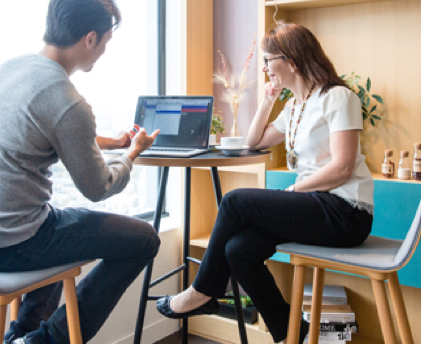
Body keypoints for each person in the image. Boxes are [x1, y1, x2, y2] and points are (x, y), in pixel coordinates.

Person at [0, 0, 161, 344]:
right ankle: (45, 341)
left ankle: (20, 336)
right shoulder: (68, 101)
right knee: (144, 239)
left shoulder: (11, 69)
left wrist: (110, 141)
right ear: (90, 39)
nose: (105, 51)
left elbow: (43, 131)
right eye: (107, 42)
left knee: (54, 220)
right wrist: (132, 153)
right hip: (9, 245)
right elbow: (99, 187)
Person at [156, 22, 374, 344]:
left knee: (234, 201)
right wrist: (268, 100)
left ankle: (202, 291)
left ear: (292, 61)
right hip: (316, 205)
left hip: (346, 211)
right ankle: (290, 332)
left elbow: (342, 168)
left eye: (269, 60)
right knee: (238, 249)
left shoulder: (338, 97)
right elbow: (254, 141)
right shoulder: (296, 106)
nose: (264, 68)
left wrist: (294, 190)